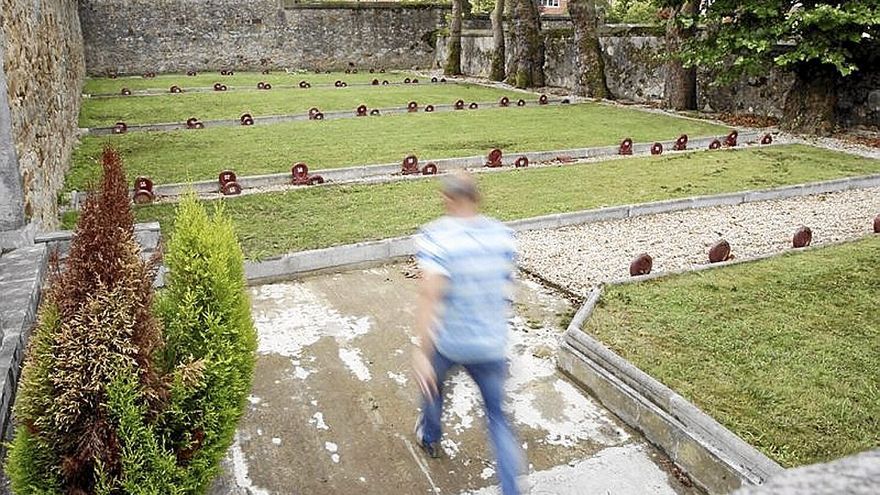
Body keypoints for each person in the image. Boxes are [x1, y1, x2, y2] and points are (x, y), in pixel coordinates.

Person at [412, 171, 524, 495]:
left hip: (450, 343)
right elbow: (505, 289)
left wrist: (421, 351)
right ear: (476, 198)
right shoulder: (503, 235)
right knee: (498, 419)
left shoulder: (436, 237)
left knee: (432, 388)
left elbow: (430, 295)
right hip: (491, 345)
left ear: (448, 199)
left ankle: (431, 438)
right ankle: (511, 490)